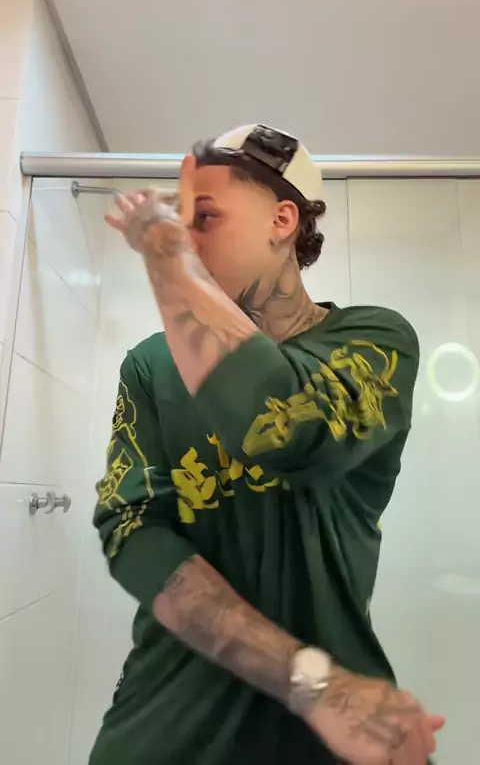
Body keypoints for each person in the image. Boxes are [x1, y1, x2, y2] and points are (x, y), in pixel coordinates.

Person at [90, 124, 444, 765]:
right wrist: (312, 685)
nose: (188, 238)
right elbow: (131, 531)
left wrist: (167, 258)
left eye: (205, 217)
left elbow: (283, 427)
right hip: (167, 721)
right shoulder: (150, 364)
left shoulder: (376, 341)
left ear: (283, 220)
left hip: (330, 737)